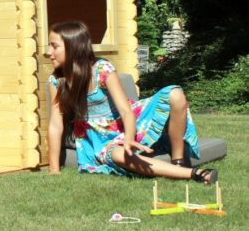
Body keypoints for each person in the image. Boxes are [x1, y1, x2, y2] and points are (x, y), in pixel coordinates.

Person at [47, 21, 218, 184]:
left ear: (73, 47)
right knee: (120, 156)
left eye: (54, 46)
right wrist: (53, 169)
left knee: (175, 94)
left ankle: (179, 161)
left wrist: (129, 138)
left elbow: (126, 111)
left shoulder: (102, 70)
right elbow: (56, 124)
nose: (49, 52)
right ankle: (193, 174)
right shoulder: (57, 81)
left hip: (129, 122)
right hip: (101, 139)